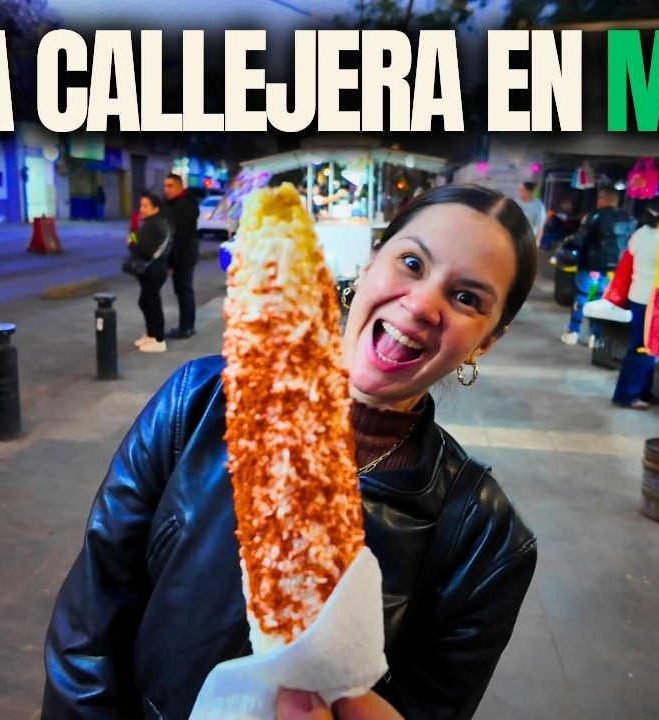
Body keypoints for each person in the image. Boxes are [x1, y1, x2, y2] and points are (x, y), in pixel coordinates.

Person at [42, 185, 539, 719]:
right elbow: (88, 628)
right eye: (412, 263)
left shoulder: (487, 541)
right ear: (370, 264)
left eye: (467, 298)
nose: (421, 305)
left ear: (487, 340)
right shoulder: (198, 402)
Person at [612, 195, 659, 410]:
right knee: (642, 349)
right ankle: (628, 395)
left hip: (637, 296)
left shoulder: (640, 233)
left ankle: (643, 391)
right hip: (650, 300)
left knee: (644, 347)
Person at [560, 186, 632, 346]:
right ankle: (595, 336)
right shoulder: (627, 218)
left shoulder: (594, 216)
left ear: (603, 198)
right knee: (600, 300)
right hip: (613, 269)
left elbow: (580, 239)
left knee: (582, 297)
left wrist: (568, 245)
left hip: (589, 264)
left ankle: (573, 332)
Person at [128, 192, 172, 354]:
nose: (142, 209)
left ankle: (159, 339)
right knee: (145, 302)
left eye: (145, 206)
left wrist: (131, 243)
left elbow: (145, 250)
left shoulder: (154, 224)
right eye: (141, 205)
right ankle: (151, 334)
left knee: (152, 303)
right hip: (154, 267)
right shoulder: (153, 222)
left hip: (153, 268)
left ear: (155, 208)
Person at [162, 174, 200, 339]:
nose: (166, 190)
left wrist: (171, 263)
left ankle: (186, 327)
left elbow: (179, 238)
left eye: (170, 186)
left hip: (183, 256)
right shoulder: (175, 204)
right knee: (184, 290)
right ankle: (187, 326)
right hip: (184, 254)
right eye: (165, 186)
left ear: (179, 187)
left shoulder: (183, 206)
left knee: (184, 291)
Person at [516, 181, 545, 250]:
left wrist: (537, 241)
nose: (519, 192)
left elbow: (540, 226)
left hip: (529, 240)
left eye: (521, 190)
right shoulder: (516, 203)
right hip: (515, 239)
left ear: (528, 192)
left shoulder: (538, 206)